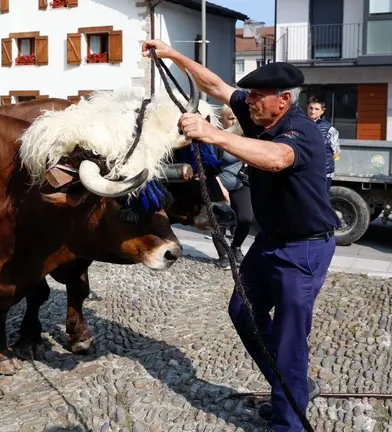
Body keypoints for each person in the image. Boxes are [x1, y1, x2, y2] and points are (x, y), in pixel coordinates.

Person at [142, 40, 338, 431]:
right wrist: (174, 55)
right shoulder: (259, 116)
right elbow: (216, 85)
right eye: (249, 96)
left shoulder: (301, 131)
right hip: (270, 242)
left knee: (288, 336)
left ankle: (289, 422)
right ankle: (292, 387)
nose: (248, 103)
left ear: (283, 100)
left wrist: (214, 135)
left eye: (258, 98)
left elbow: (277, 158)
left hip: (304, 249)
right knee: (243, 312)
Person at [212, 105, 254, 269]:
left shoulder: (245, 136)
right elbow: (210, 167)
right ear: (223, 119)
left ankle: (235, 247)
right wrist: (220, 188)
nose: (234, 122)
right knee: (218, 222)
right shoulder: (217, 138)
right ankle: (223, 255)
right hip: (219, 184)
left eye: (237, 118)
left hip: (240, 183)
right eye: (230, 119)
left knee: (245, 218)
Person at [307, 96, 341, 194]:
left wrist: (321, 163)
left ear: (323, 111)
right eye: (311, 108)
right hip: (305, 171)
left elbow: (337, 152)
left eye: (316, 109)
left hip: (324, 172)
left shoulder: (330, 129)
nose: (313, 111)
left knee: (321, 200)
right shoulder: (300, 124)